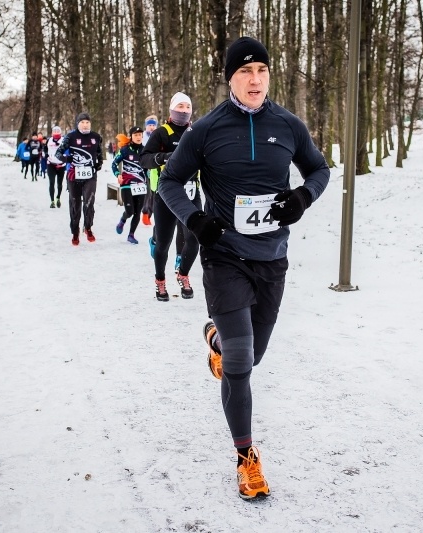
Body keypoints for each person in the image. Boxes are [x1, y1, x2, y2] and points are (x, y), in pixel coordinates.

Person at [158, 37, 330, 500]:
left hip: (272, 259)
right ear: (230, 78)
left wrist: (301, 197)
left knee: (251, 356)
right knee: (239, 364)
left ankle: (215, 337)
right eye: (245, 71)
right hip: (224, 258)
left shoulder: (288, 125)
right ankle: (247, 459)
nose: (255, 79)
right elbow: (171, 181)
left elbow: (320, 170)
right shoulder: (206, 130)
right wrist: (195, 219)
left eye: (262, 70)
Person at [140, 91, 201, 302]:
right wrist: (164, 157)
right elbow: (144, 159)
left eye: (187, 107)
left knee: (194, 239)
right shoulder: (161, 133)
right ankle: (160, 281)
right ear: (172, 109)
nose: (184, 111)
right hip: (166, 194)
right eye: (180, 106)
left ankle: (183, 274)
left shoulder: (196, 132)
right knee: (163, 243)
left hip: (192, 192)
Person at [54, 112, 103, 246]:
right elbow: (58, 153)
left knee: (89, 201)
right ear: (78, 124)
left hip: (90, 175)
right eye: (82, 122)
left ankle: (88, 227)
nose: (85, 125)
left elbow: (99, 153)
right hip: (74, 174)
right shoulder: (71, 137)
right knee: (75, 204)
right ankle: (75, 231)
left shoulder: (96, 137)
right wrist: (67, 159)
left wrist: (99, 164)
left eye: (87, 122)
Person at [112, 126, 147, 244]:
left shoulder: (145, 150)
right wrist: (118, 174)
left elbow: (148, 167)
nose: (138, 137)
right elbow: (114, 163)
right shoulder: (125, 150)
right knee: (130, 211)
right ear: (131, 137)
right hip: (127, 184)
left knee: (138, 212)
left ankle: (131, 235)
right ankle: (123, 220)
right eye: (136, 135)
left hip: (141, 185)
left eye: (140, 135)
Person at [47, 126, 66, 208]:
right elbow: (45, 149)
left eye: (57, 132)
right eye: (54, 132)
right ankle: (52, 201)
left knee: (59, 184)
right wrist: (45, 155)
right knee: (51, 182)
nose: (56, 133)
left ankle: (58, 197)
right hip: (51, 164)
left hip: (61, 165)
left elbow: (68, 150)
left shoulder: (64, 140)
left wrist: (64, 161)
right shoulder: (49, 140)